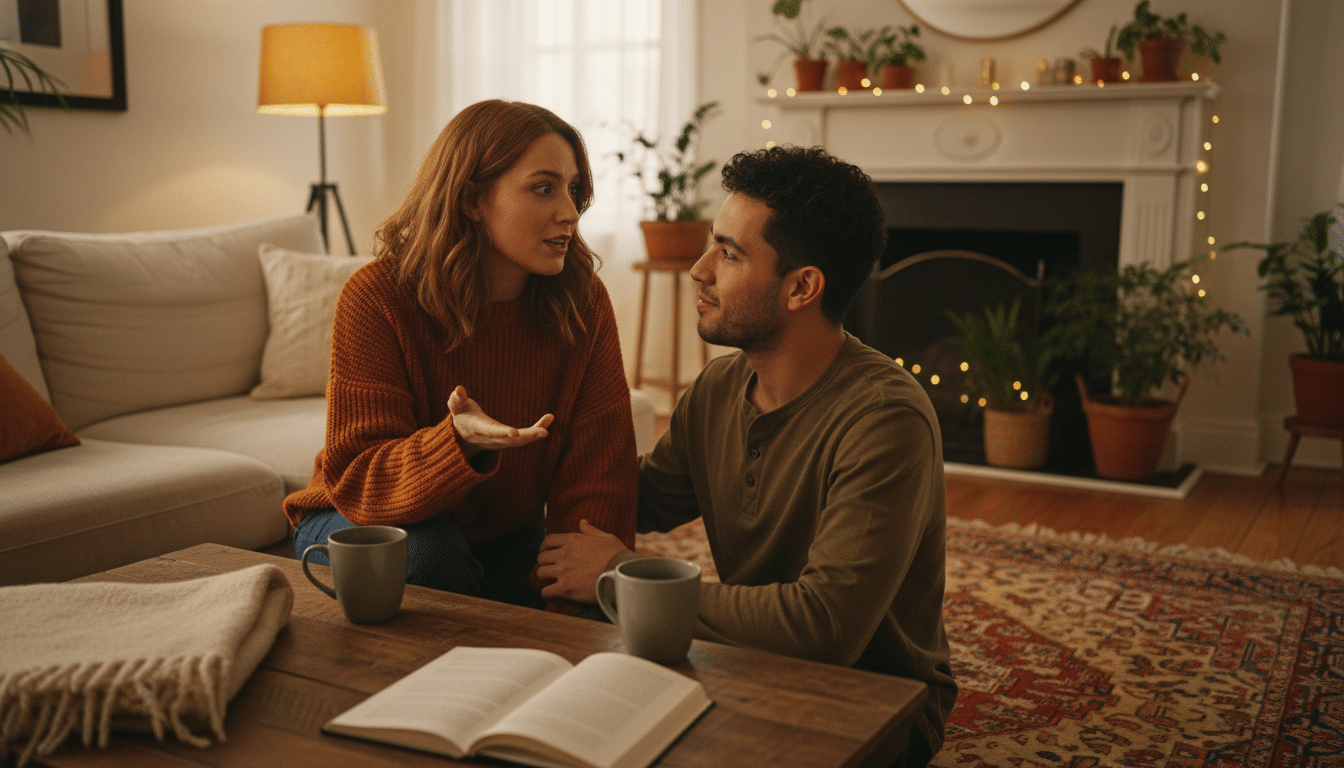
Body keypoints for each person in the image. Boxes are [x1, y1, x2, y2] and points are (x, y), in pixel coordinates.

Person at [537, 145, 957, 765]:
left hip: (875, 701)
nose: (699, 270)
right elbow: (641, 496)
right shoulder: (718, 389)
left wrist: (620, 574)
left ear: (802, 288)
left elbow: (824, 628)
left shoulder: (885, 418)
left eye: (729, 253)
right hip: (746, 669)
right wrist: (513, 440)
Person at [286, 100, 638, 615]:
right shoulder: (377, 296)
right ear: (473, 199)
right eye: (544, 188)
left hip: (495, 535)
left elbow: (599, 478)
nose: (570, 211)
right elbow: (361, 481)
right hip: (358, 519)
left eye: (573, 189)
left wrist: (585, 601)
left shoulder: (583, 301)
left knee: (584, 584)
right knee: (430, 559)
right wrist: (456, 443)